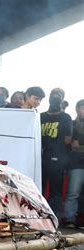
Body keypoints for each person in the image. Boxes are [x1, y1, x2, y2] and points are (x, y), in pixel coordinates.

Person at [41, 88, 73, 221]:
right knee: (38, 188)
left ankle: (53, 219)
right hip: (39, 157)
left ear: (62, 99)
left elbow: (67, 140)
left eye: (58, 95)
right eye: (53, 94)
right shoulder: (40, 116)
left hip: (57, 158)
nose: (55, 97)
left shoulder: (65, 117)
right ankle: (38, 216)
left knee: (55, 191)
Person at [64, 100, 84, 228]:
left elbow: (76, 144)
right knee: (73, 192)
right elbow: (69, 143)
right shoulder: (71, 123)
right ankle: (70, 219)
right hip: (75, 163)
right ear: (77, 109)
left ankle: (81, 220)